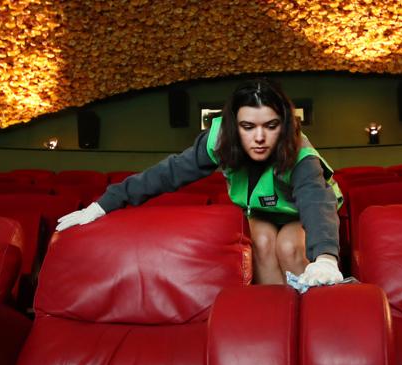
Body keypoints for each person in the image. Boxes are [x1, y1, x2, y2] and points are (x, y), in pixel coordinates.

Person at [56, 78, 344, 287]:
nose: (259, 137)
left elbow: (315, 202)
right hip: (260, 210)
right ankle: (277, 319)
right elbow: (167, 174)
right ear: (234, 126)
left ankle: (314, 317)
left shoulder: (299, 153)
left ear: (284, 125)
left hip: (300, 211)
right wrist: (103, 205)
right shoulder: (218, 140)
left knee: (290, 246)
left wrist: (326, 258)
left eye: (270, 126)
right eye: (248, 127)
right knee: (264, 241)